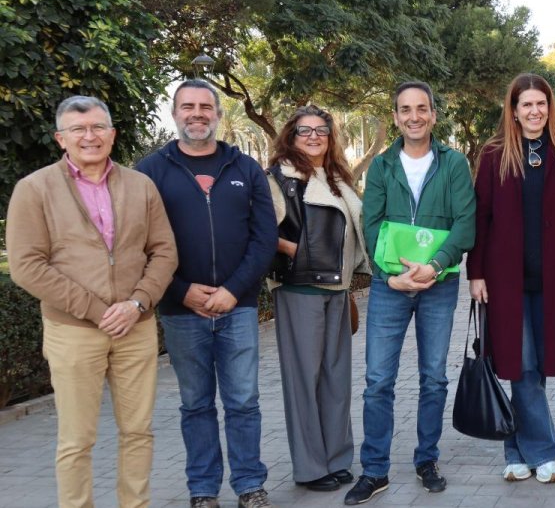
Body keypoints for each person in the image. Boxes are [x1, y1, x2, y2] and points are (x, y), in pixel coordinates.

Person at [7, 96, 177, 508]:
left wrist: (137, 303)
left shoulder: (141, 186)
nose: (90, 136)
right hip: (74, 332)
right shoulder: (34, 189)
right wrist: (99, 311)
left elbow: (164, 251)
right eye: (78, 129)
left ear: (112, 135)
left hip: (135, 328)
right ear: (60, 138)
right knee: (76, 440)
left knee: (138, 432)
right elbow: (27, 266)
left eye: (98, 127)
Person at [136, 80, 278, 508]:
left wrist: (233, 290)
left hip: (238, 307)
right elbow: (138, 244)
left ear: (217, 113)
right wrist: (181, 291)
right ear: (175, 113)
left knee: (243, 402)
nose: (196, 113)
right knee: (195, 404)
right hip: (181, 310)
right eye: (187, 106)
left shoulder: (246, 168)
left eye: (205, 106)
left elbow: (264, 239)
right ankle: (202, 490)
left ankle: (250, 485)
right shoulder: (150, 171)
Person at [346, 81, 476, 504]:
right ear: (396, 116)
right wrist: (391, 276)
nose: (414, 116)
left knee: (433, 377)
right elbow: (371, 224)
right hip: (390, 287)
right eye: (406, 109)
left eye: (422, 108)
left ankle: (427, 460)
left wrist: (435, 266)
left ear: (433, 115)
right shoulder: (382, 166)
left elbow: (465, 223)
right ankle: (374, 471)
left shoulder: (453, 164)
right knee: (377, 381)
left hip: (440, 285)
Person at [466, 73, 555, 485]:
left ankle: (516, 452)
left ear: (549, 108)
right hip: (505, 281)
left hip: (553, 279)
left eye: (541, 104)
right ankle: (543, 452)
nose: (535, 111)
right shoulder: (494, 153)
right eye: (527, 105)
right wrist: (475, 273)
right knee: (521, 366)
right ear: (514, 111)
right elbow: (481, 218)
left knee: (538, 365)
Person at [265, 106, 369, 492]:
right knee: (303, 382)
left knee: (336, 378)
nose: (313, 137)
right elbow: (259, 228)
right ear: (291, 137)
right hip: (300, 288)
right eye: (304, 130)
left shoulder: (337, 176)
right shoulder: (279, 178)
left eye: (321, 130)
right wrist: (297, 251)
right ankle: (310, 468)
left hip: (338, 289)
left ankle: (337, 458)